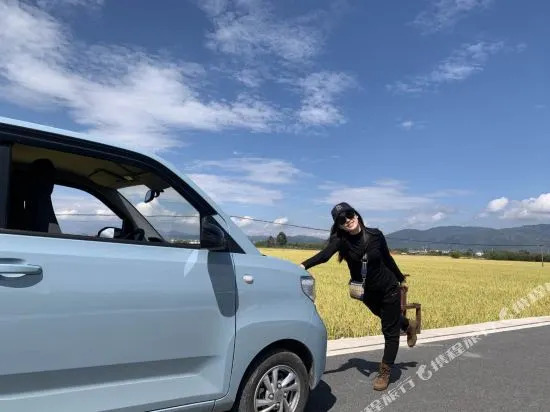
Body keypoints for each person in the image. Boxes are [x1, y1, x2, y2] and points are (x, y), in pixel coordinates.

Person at [300, 202, 418, 391]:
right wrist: (302, 266)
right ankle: (407, 324)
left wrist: (399, 277)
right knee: (387, 318)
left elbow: (387, 259)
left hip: (388, 289)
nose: (347, 220)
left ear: (356, 214)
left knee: (389, 330)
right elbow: (324, 255)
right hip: (366, 293)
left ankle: (385, 371)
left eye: (349, 214)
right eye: (342, 220)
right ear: (339, 225)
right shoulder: (341, 241)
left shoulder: (375, 235)